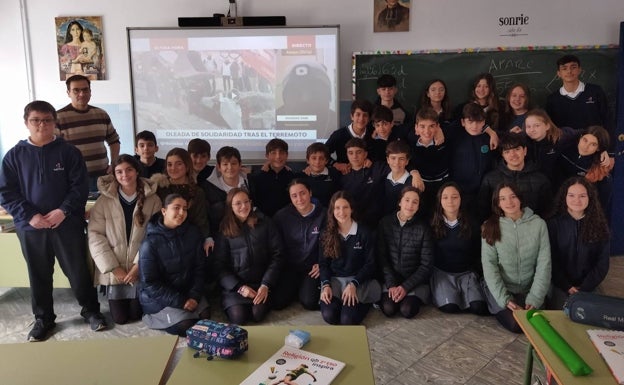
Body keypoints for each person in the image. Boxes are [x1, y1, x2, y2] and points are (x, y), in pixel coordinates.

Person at [0, 100, 106, 341]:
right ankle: (43, 319)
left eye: (47, 120)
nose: (42, 125)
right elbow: (6, 192)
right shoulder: (14, 156)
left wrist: (63, 211)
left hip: (66, 224)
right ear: (26, 122)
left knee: (77, 269)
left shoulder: (69, 152)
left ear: (54, 122)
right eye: (36, 120)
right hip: (31, 227)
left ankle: (91, 311)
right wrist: (30, 215)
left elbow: (79, 188)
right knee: (38, 273)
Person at [88, 155, 162, 324]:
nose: (125, 175)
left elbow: (155, 237)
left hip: (140, 267)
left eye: (129, 170)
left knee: (136, 315)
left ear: (137, 171)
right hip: (116, 270)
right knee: (120, 319)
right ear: (114, 174)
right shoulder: (103, 201)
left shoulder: (153, 200)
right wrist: (113, 268)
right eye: (119, 172)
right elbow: (95, 236)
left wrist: (138, 266)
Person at [481, 183, 551, 333]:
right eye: (503, 198)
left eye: (513, 196)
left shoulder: (539, 224)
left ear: (520, 198)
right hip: (502, 290)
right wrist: (504, 299)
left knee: (537, 324)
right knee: (517, 325)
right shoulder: (489, 226)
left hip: (529, 290)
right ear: (497, 203)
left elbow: (544, 264)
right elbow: (489, 266)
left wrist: (535, 298)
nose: (509, 202)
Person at [139, 194, 210, 336]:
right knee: (187, 327)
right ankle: (157, 317)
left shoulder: (193, 233)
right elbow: (150, 283)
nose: (181, 213)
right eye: (176, 208)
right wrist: (181, 302)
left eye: (185, 209)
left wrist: (194, 296)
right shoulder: (150, 243)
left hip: (187, 290)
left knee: (205, 316)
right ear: (164, 211)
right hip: (161, 298)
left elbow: (200, 269)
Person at [214, 188, 283, 324]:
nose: (244, 206)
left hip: (261, 283)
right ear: (230, 207)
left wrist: (265, 284)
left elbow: (278, 255)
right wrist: (239, 287)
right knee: (239, 318)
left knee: (257, 315)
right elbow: (218, 266)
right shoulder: (224, 229)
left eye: (246, 202)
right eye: (238, 203)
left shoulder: (265, 222)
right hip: (236, 287)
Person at [547, 177, 610, 309]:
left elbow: (602, 264)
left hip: (588, 286)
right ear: (565, 197)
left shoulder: (600, 225)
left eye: (582, 196)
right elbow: (551, 259)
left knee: (590, 316)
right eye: (571, 195)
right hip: (561, 285)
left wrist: (585, 287)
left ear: (590, 198)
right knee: (563, 314)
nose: (577, 200)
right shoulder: (554, 224)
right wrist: (567, 286)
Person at [319, 191, 381, 325]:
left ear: (351, 209)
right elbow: (323, 264)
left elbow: (370, 264)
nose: (341, 212)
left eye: (345, 207)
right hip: (335, 281)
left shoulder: (364, 233)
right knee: (330, 316)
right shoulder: (326, 234)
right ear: (332, 211)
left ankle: (366, 302)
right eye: (337, 208)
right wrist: (326, 285)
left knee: (347, 320)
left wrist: (354, 284)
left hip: (358, 281)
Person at [430, 182, 488, 315]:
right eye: (445, 197)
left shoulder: (472, 223)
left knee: (477, 307)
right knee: (450, 307)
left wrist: (476, 272)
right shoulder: (432, 223)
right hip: (442, 272)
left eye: (455, 197)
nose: (450, 201)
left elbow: (478, 251)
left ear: (461, 199)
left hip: (466, 273)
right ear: (440, 200)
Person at [56, 74, 121, 192]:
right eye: (76, 90)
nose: (81, 94)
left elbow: (114, 140)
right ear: (68, 93)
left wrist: (114, 164)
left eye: (85, 90)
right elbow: (53, 149)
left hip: (103, 177)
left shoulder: (101, 114)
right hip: (74, 179)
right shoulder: (58, 117)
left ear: (90, 92)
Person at [377, 187, 433, 318]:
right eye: (407, 200)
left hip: (414, 281)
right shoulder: (385, 223)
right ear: (400, 202)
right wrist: (391, 284)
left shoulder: (423, 228)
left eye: (415, 202)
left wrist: (405, 287)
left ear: (418, 207)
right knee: (389, 308)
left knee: (407, 310)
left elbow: (426, 265)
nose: (410, 205)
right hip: (391, 279)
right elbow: (382, 257)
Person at [272, 179, 327, 310]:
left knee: (309, 302)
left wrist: (323, 263)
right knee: (277, 302)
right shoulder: (282, 216)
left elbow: (331, 243)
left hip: (312, 268)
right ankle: (298, 288)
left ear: (310, 193)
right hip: (290, 266)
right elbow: (275, 245)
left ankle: (304, 289)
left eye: (303, 193)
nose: (299, 199)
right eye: (294, 196)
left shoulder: (324, 214)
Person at [478, 132, 552, 221]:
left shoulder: (540, 179)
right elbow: (483, 210)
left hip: (532, 229)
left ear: (525, 151)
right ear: (502, 155)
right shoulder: (490, 179)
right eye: (507, 151)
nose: (512, 154)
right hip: (500, 229)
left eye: (517, 149)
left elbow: (547, 211)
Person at [546, 55, 612, 150]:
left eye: (573, 67)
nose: (569, 71)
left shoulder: (595, 91)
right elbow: (551, 130)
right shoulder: (552, 99)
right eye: (564, 68)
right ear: (559, 73)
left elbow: (608, 121)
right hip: (566, 150)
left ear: (579, 70)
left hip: (594, 148)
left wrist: (609, 151)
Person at [557, 125, 613, 218]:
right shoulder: (564, 150)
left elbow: (601, 208)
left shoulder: (600, 173)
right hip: (558, 207)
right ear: (580, 138)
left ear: (598, 149)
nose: (586, 146)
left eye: (593, 144)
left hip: (583, 215)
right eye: (585, 140)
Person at [203, 146, 251, 236]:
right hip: (221, 234)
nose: (230, 167)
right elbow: (206, 217)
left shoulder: (251, 182)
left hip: (249, 232)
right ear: (218, 167)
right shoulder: (208, 187)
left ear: (240, 164)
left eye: (233, 163)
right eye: (225, 164)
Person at [325, 99, 374, 174]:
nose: (361, 119)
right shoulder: (339, 135)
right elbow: (323, 153)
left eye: (365, 115)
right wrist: (335, 164)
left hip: (368, 177)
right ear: (352, 116)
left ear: (369, 118)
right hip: (344, 176)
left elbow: (380, 154)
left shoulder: (373, 133)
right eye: (358, 114)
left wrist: (371, 160)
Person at [248, 138, 294, 217]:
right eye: (273, 153)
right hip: (263, 221)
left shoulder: (293, 177)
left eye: (281, 152)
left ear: (287, 155)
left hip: (288, 220)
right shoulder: (256, 178)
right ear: (267, 156)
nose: (278, 156)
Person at [294, 142, 340, 207]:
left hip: (330, 213)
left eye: (321, 158)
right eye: (314, 158)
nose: (317, 162)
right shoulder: (300, 177)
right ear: (307, 160)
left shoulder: (335, 174)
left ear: (326, 160)